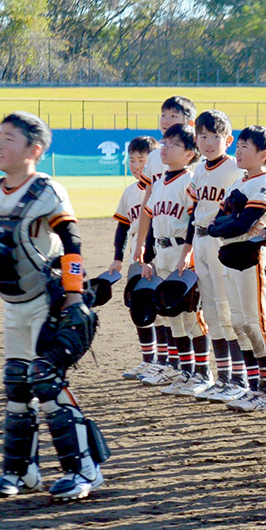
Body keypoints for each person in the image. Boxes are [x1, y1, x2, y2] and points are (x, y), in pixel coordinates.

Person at [0, 112, 106, 500]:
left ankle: (84, 470)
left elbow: (73, 245)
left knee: (45, 380)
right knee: (16, 384)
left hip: (50, 301)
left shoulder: (47, 192)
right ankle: (21, 472)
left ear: (34, 150)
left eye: (9, 139)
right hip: (14, 304)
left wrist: (76, 297)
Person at [210, 126, 266, 412]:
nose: (238, 150)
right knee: (237, 322)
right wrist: (233, 219)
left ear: (263, 154)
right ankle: (253, 386)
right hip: (231, 254)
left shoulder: (264, 182)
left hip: (253, 256)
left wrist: (234, 219)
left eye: (245, 147)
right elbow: (215, 224)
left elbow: (240, 223)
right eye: (238, 145)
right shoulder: (238, 183)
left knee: (255, 322)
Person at [139, 124, 207, 396]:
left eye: (172, 144)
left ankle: (203, 372)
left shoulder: (188, 181)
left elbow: (193, 218)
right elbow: (154, 221)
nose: (164, 148)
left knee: (191, 315)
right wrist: (149, 257)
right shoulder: (160, 182)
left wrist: (187, 252)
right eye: (164, 142)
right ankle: (185, 370)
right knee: (170, 315)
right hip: (162, 250)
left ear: (190, 153)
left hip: (182, 251)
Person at [184, 110, 244, 399]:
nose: (208, 142)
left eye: (215, 137)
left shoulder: (235, 168)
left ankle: (239, 378)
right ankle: (222, 377)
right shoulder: (198, 170)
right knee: (210, 309)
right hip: (200, 239)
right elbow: (194, 210)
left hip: (222, 241)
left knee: (227, 309)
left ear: (228, 140)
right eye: (203, 136)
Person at [108, 135, 159, 380]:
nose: (136, 165)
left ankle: (165, 362)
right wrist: (117, 258)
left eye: (142, 160)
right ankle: (148, 361)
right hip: (135, 259)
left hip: (159, 256)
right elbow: (122, 227)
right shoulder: (129, 192)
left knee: (162, 310)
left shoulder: (160, 188)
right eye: (132, 160)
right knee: (138, 309)